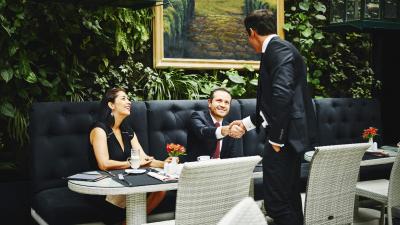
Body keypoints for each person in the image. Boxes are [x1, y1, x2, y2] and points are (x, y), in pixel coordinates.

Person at [231, 9, 317, 225]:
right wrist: (245, 123)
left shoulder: (278, 50)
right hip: (288, 137)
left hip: (284, 139)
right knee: (288, 198)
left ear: (252, 32)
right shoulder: (278, 49)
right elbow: (270, 106)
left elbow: (282, 95)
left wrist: (276, 139)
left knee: (276, 204)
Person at [89, 87, 174, 216]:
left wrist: (166, 164)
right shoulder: (99, 130)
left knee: (160, 190)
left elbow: (145, 159)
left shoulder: (127, 130)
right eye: (123, 98)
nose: (129, 102)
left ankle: (128, 222)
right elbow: (104, 164)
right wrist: (133, 163)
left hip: (126, 181)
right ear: (111, 105)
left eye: (128, 99)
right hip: (105, 186)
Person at [186, 88, 244, 161]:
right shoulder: (197, 116)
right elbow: (203, 132)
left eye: (226, 102)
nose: (223, 105)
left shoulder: (230, 126)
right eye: (219, 101)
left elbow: (235, 157)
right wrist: (223, 130)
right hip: (198, 168)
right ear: (210, 103)